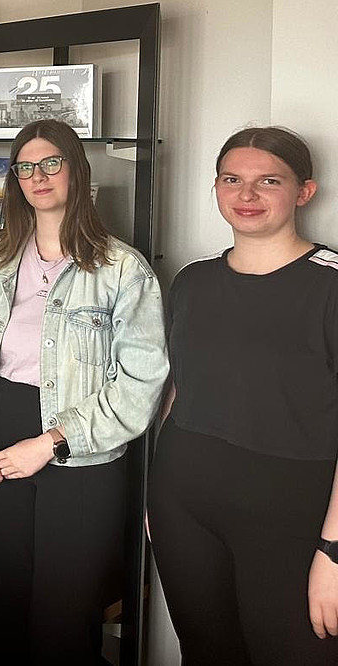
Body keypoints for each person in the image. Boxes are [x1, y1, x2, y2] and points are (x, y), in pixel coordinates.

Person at [0, 118, 168, 664]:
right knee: (3, 611)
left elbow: (140, 384)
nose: (38, 176)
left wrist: (52, 442)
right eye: (25, 167)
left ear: (77, 172)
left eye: (52, 163)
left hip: (80, 455)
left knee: (63, 622)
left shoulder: (123, 270)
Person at [148, 126, 338, 666]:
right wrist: (157, 497)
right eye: (232, 180)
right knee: (206, 653)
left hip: (292, 516)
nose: (246, 195)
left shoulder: (331, 286)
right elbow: (178, 391)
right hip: (184, 504)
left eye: (268, 181)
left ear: (304, 192)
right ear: (216, 187)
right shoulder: (193, 281)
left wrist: (334, 553)